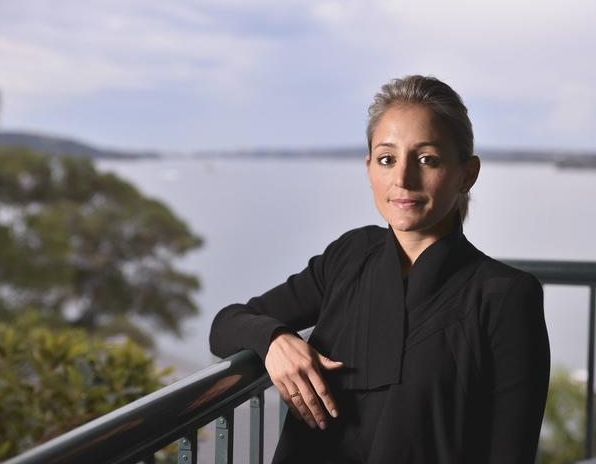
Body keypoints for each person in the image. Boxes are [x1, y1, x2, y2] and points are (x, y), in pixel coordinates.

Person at [209, 75, 550, 463]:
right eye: (387, 159)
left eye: (427, 159)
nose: (402, 179)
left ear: (466, 174)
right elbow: (225, 326)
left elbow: (511, 454)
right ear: (370, 167)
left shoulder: (505, 296)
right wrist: (274, 339)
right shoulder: (349, 257)